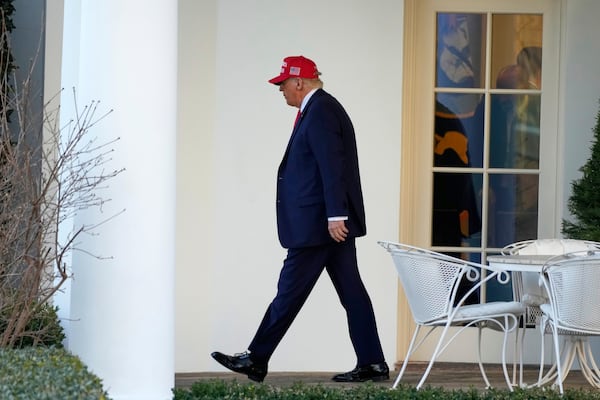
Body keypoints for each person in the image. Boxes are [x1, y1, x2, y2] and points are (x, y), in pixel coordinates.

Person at [211, 55, 388, 383]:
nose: (280, 90)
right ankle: (372, 361)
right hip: (327, 224)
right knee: (352, 291)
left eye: (282, 85)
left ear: (299, 82)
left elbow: (331, 164)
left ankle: (256, 357)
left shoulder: (320, 111)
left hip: (320, 226)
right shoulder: (319, 109)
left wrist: (336, 215)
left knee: (289, 291)